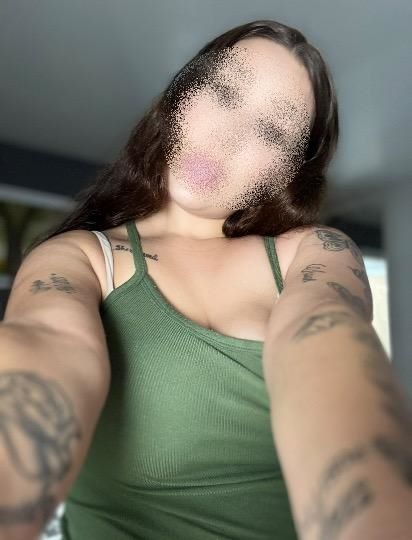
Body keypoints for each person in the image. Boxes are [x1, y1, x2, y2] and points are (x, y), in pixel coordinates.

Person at [2, 19, 339, 540]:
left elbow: (344, 357)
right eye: (224, 92)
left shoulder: (309, 255)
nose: (227, 137)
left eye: (271, 131)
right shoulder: (79, 258)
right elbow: (44, 342)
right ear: (182, 96)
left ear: (287, 175)